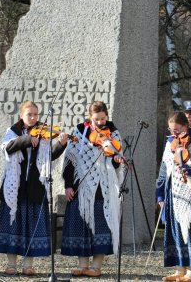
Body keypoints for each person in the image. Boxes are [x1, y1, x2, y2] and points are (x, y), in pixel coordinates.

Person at [0, 100, 68, 276]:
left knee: (31, 226)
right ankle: (11, 264)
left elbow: (49, 157)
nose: (33, 118)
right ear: (21, 115)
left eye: (35, 114)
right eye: (29, 114)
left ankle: (28, 265)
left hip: (35, 187)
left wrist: (61, 145)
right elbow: (8, 148)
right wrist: (27, 139)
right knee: (14, 225)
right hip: (15, 188)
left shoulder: (44, 133)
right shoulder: (12, 132)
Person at [61, 101, 125, 278]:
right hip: (81, 185)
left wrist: (116, 160)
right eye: (96, 119)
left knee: (102, 226)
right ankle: (83, 266)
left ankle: (96, 267)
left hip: (102, 187)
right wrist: (68, 185)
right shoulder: (80, 131)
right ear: (90, 117)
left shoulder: (113, 133)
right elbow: (70, 161)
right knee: (82, 225)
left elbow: (114, 159)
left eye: (103, 119)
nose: (100, 123)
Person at [156, 112, 191, 282]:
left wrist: (190, 171)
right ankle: (179, 269)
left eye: (178, 130)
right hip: (173, 193)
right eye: (172, 130)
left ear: (186, 126)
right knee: (176, 231)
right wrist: (160, 193)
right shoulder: (169, 143)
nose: (174, 134)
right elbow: (164, 170)